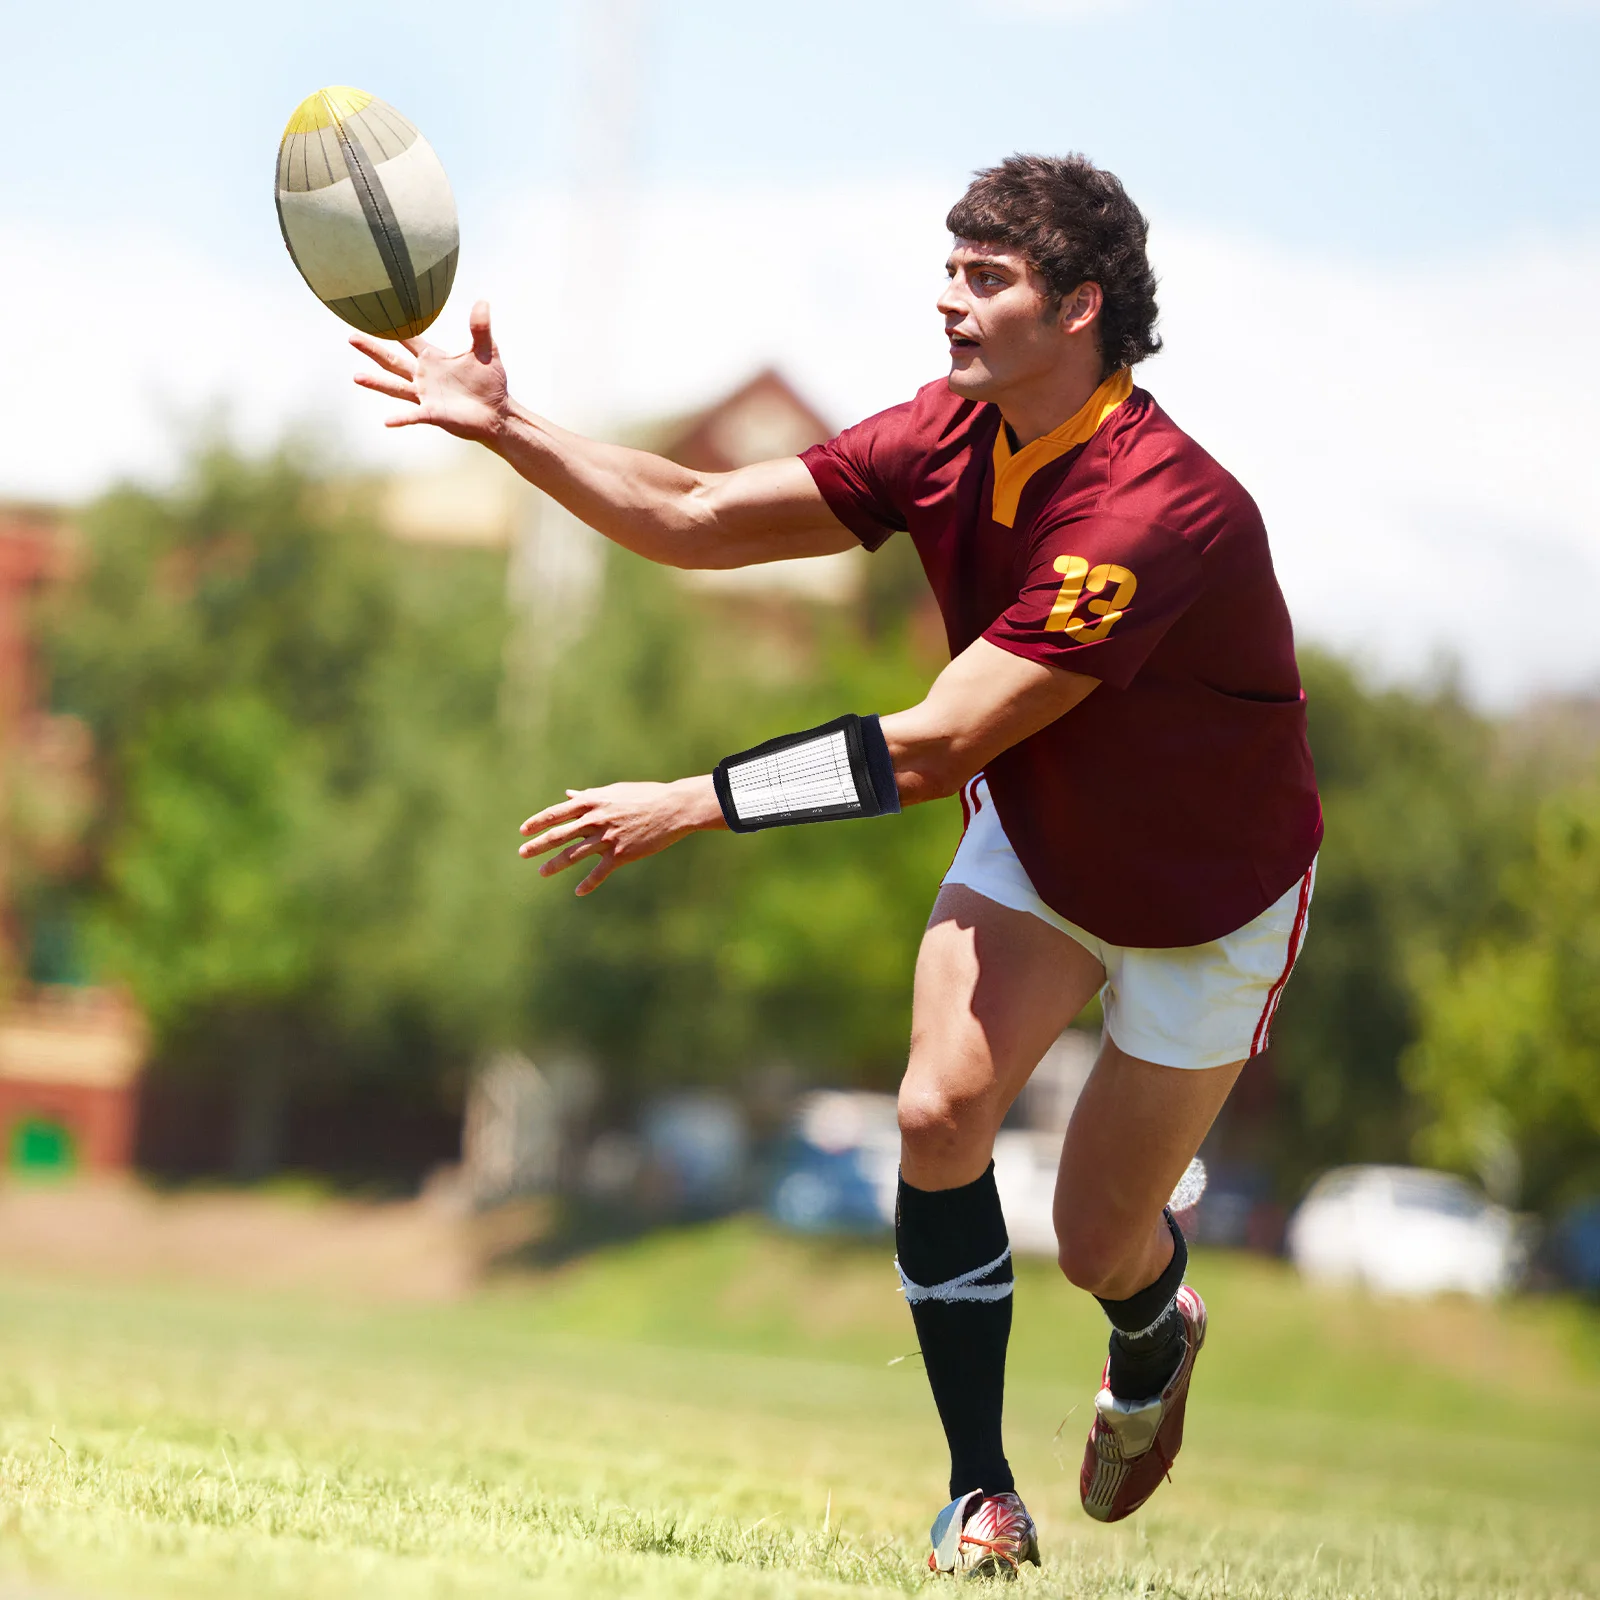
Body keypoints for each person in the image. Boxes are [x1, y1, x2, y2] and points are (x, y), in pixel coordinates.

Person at [352, 152, 1322, 1578]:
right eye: (950, 268)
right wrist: (511, 430)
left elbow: (933, 746)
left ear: (1081, 310)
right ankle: (982, 1493)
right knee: (937, 1114)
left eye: (984, 279)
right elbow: (686, 514)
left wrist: (694, 800)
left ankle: (1151, 1321)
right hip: (1046, 849)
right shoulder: (944, 438)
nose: (947, 301)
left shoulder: (1155, 512)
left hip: (1207, 911)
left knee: (1097, 1239)